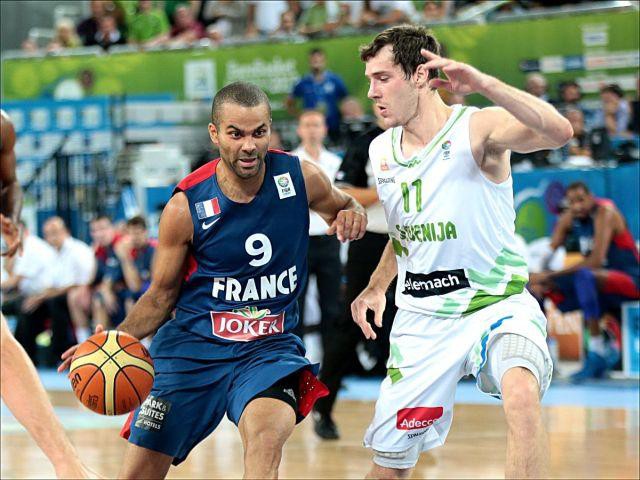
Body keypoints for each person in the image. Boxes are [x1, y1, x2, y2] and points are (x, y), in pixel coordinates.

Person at [59, 81, 367, 479]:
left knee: (265, 443)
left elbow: (344, 204)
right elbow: (161, 296)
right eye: (236, 134)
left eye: (259, 132)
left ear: (271, 130)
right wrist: (114, 340)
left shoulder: (301, 178)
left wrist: (352, 213)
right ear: (214, 133)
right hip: (191, 349)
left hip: (268, 350)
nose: (249, 146)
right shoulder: (184, 206)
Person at [351, 25, 573, 479]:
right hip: (423, 319)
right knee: (389, 466)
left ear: (420, 75)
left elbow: (558, 131)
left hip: (495, 304)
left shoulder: (477, 127)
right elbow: (405, 231)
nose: (372, 92)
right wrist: (376, 285)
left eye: (383, 78)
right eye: (370, 80)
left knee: (522, 396)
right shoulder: (381, 149)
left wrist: (485, 84)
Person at [0, 110, 96, 478]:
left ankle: (68, 465)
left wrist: (11, 217)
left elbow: (10, 183)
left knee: (4, 348)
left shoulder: (3, 127)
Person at [313, 104, 396, 440]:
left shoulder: (422, 138)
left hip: (416, 243)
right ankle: (323, 407)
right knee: (351, 323)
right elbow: (344, 191)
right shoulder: (366, 144)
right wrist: (388, 191)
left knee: (408, 327)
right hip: (372, 243)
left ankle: (411, 416)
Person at [529, 182, 640, 381]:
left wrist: (549, 274)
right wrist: (539, 275)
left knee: (583, 276)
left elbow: (595, 261)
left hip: (631, 281)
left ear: (591, 197)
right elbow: (549, 250)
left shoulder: (606, 213)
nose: (577, 206)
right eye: (572, 202)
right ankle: (543, 353)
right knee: (537, 287)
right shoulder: (571, 218)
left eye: (581, 200)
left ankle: (597, 351)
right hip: (598, 285)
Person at [292, 110, 343, 345]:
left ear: (325, 129)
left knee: (331, 304)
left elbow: (342, 199)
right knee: (297, 304)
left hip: (329, 238)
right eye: (307, 125)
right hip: (300, 241)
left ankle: (332, 362)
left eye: (316, 125)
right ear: (299, 130)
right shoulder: (291, 162)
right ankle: (296, 362)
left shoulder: (335, 162)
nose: (312, 130)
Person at [287, 48, 349, 144]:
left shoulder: (335, 80)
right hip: (311, 128)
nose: (317, 64)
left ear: (324, 61)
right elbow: (289, 101)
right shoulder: (303, 81)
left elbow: (346, 100)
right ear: (309, 62)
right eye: (314, 61)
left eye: (319, 61)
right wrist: (299, 115)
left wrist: (343, 114)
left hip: (333, 126)